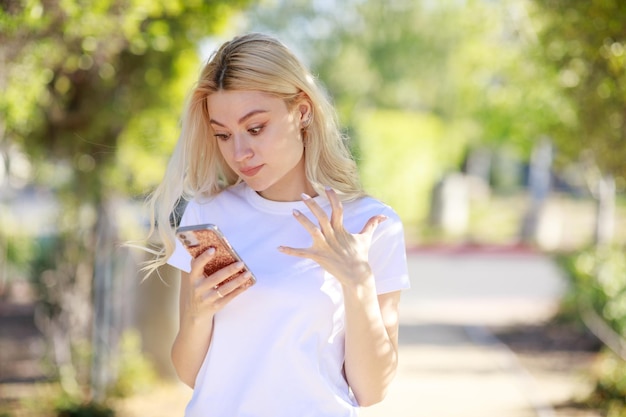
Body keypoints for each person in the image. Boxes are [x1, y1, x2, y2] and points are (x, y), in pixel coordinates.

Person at [144, 32, 410, 417]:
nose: (240, 152)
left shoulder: (371, 224)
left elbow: (371, 391)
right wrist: (199, 315)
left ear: (302, 111)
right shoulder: (208, 216)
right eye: (223, 135)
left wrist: (358, 283)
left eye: (255, 129)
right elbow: (190, 373)